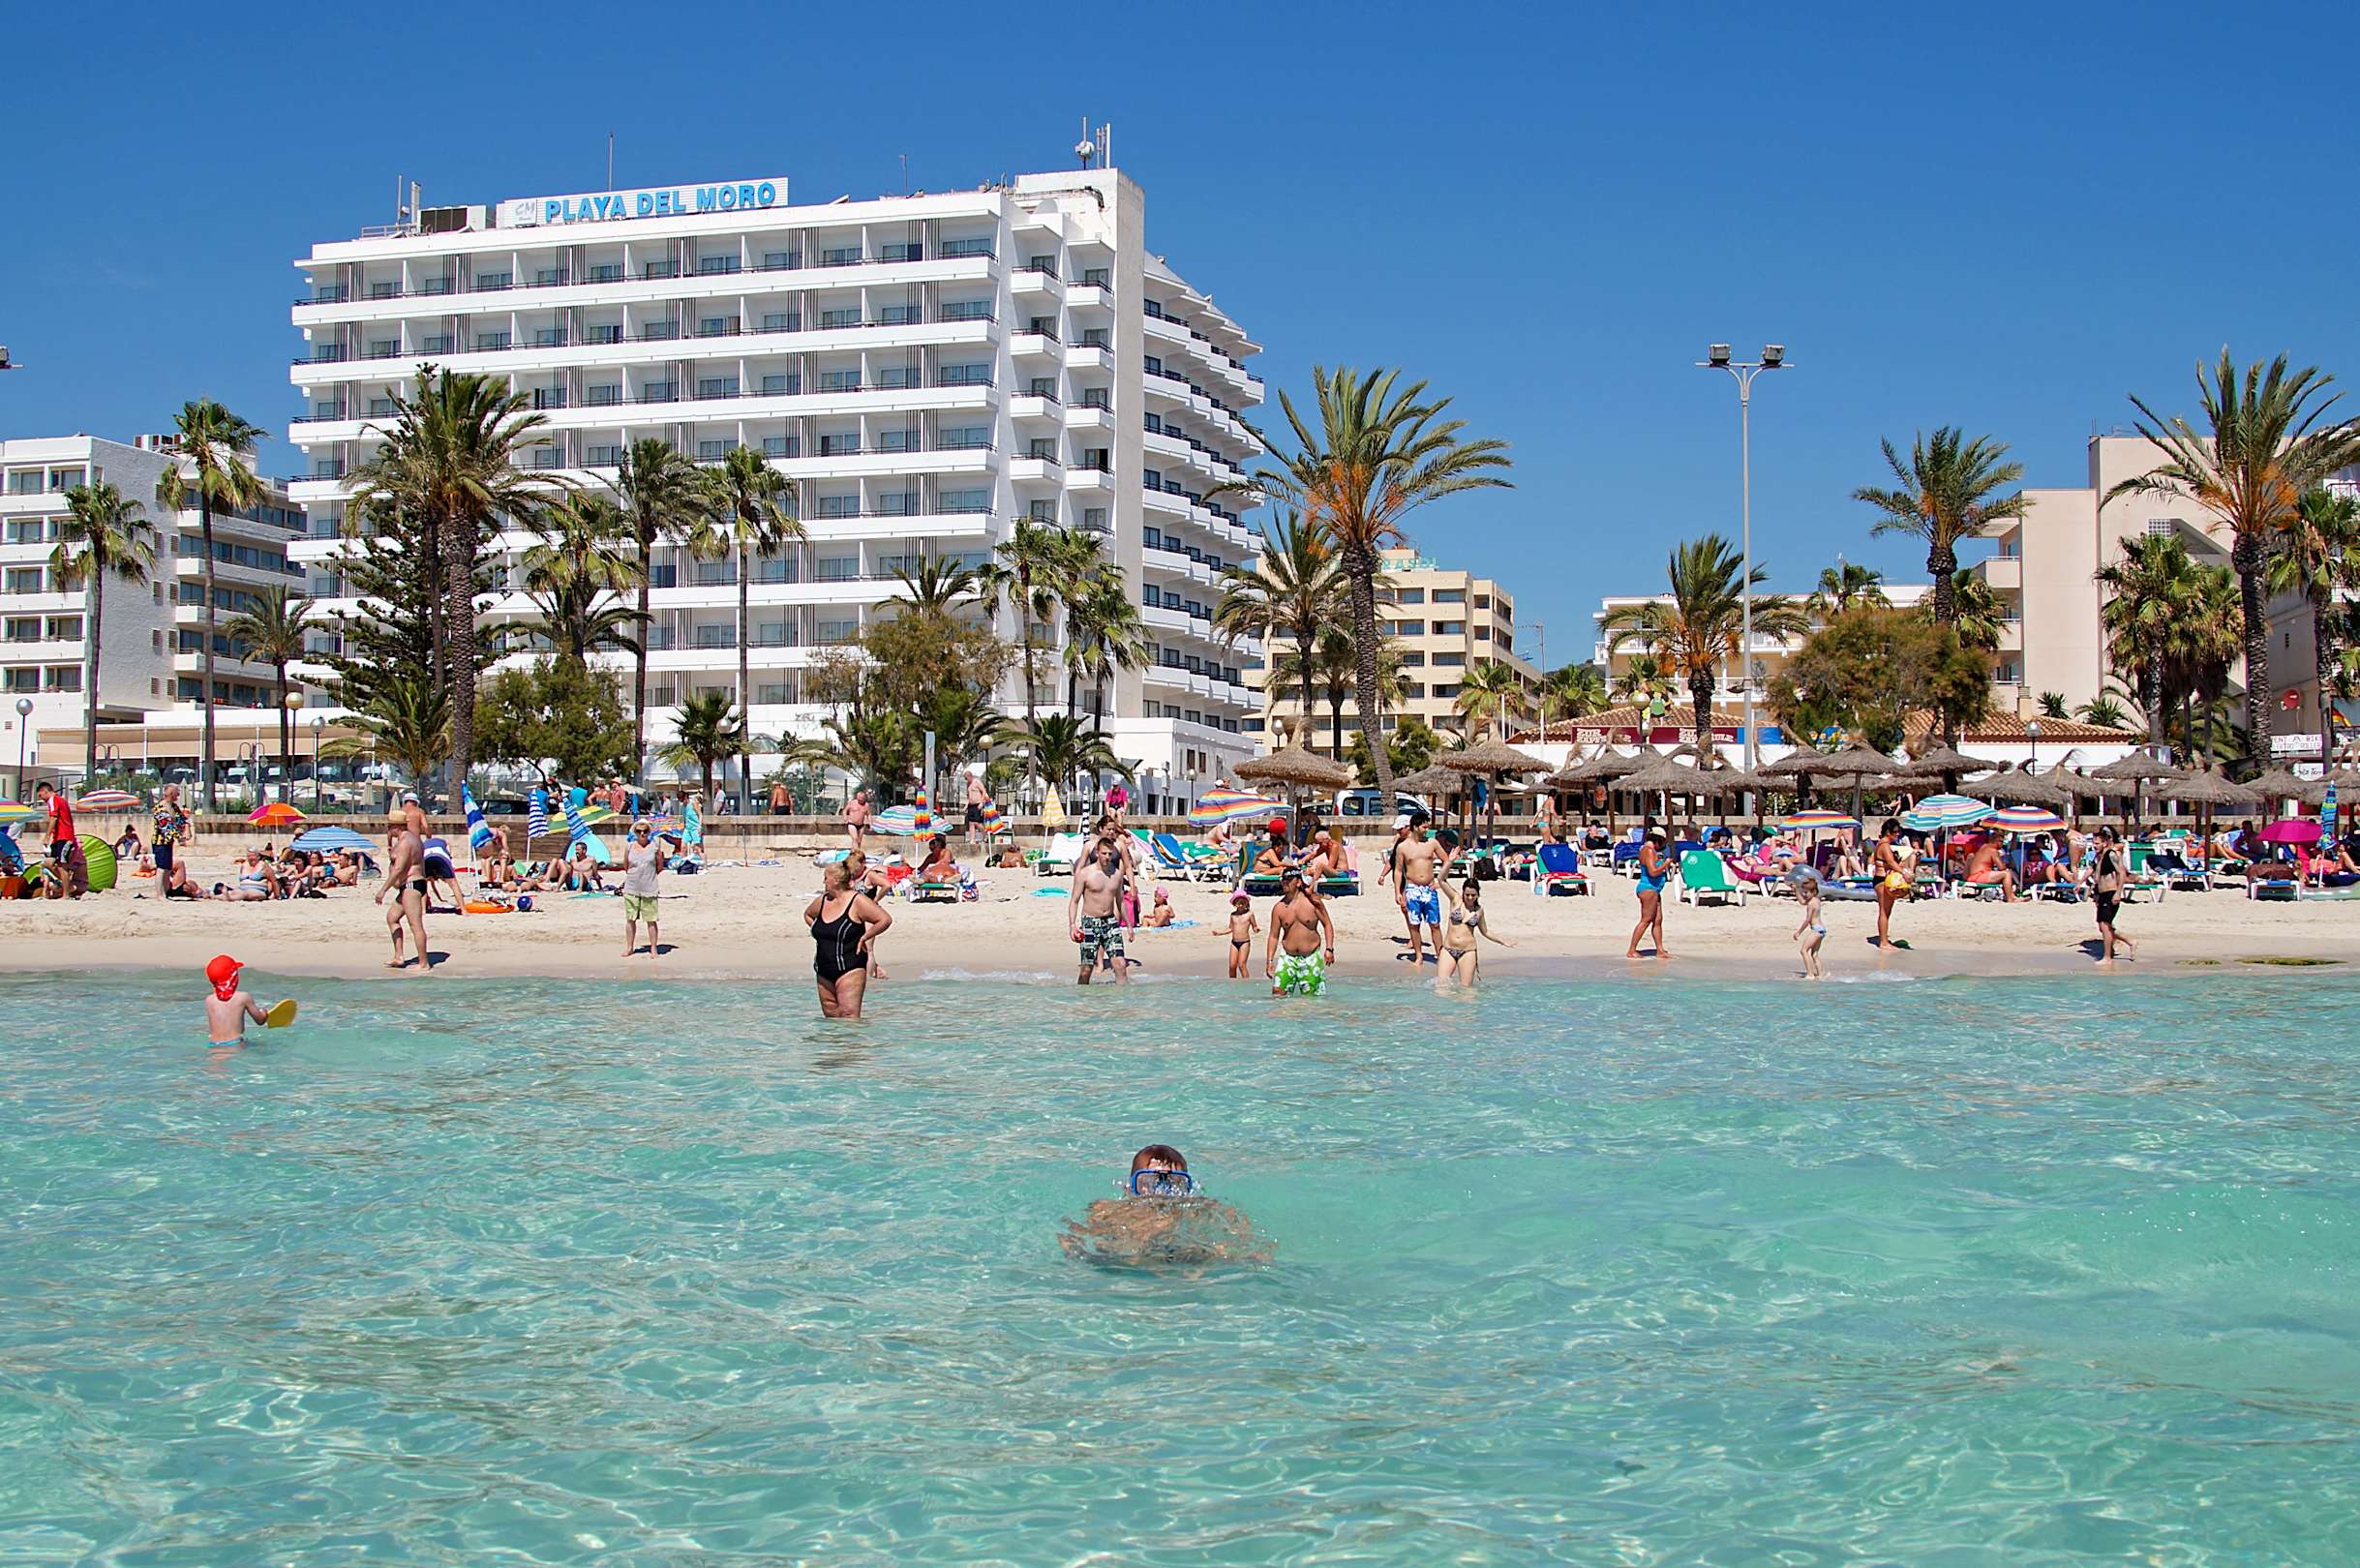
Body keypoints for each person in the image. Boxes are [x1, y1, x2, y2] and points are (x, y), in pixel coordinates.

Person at [1059, 1144, 1269, 1267]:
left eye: (1173, 1184)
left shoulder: (1200, 1208)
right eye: (1149, 1183)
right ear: (1129, 1187)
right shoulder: (1108, 1208)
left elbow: (1238, 1229)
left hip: (1185, 1256)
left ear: (1188, 1187)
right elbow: (1079, 1233)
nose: (1161, 1192)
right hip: (1130, 1258)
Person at [806, 859, 891, 1018]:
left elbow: (884, 919)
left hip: (850, 967)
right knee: (830, 1016)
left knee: (848, 1015)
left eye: (826, 878)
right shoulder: (823, 901)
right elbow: (808, 915)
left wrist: (865, 937)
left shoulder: (857, 901)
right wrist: (821, 933)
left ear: (836, 880)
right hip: (823, 968)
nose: (823, 882)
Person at [1069, 832, 1133, 984]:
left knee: (1120, 965)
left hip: (1110, 922)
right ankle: (1083, 995)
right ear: (1097, 853)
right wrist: (1072, 925)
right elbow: (1074, 901)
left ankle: (1122, 997)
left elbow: (1120, 901)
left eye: (1110, 854)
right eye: (1104, 853)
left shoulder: (1117, 874)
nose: (1107, 857)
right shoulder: (1085, 874)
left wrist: (1129, 925)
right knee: (1086, 969)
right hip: (1090, 922)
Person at [1266, 864, 1337, 996]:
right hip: (1288, 957)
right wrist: (1269, 961)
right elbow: (1273, 936)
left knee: (1311, 999)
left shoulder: (1313, 903)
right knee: (1278, 994)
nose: (1285, 883)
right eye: (1283, 880)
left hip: (1311, 956)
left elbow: (1327, 924)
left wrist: (1329, 949)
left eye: (1289, 880)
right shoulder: (1279, 908)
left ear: (1298, 882)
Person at [376, 815, 430, 973]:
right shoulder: (413, 838)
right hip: (409, 886)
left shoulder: (406, 842)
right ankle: (398, 956)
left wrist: (383, 890)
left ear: (396, 827)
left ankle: (424, 963)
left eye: (389, 827)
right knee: (392, 918)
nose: (387, 830)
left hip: (412, 885)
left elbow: (399, 868)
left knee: (415, 924)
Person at [1392, 812, 1448, 964]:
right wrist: (1398, 892)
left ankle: (1440, 954)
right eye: (1424, 827)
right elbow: (1398, 870)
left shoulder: (1432, 843)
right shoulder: (1403, 847)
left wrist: (1441, 881)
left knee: (1435, 924)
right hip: (1412, 889)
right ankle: (1419, 955)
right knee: (1414, 924)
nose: (1427, 830)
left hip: (1429, 889)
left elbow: (1446, 860)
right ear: (1415, 827)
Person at [1437, 875, 1512, 988]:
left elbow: (1485, 932)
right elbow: (1441, 880)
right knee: (1441, 986)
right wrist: (1449, 864)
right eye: (1467, 894)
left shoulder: (1479, 911)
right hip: (1448, 949)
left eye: (1473, 895)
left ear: (1478, 895)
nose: (1470, 898)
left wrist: (1502, 941)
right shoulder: (1455, 900)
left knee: (1466, 990)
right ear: (1463, 893)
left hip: (1468, 951)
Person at [620, 818, 668, 958]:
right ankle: (630, 947)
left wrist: (649, 876)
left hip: (649, 888)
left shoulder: (655, 846)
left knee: (651, 920)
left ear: (649, 832)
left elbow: (660, 867)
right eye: (639, 831)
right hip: (631, 887)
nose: (642, 834)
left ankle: (653, 948)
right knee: (630, 919)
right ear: (635, 832)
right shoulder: (629, 846)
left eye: (645, 831)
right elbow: (626, 866)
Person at [1624, 826, 1671, 960]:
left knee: (1657, 920)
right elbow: (1653, 872)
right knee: (1646, 920)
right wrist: (1666, 864)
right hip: (1648, 888)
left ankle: (1660, 950)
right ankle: (1632, 950)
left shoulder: (1649, 850)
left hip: (1654, 889)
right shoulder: (1648, 850)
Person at [2092, 824, 2136, 966]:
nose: (2094, 846)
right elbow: (2096, 875)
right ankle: (2129, 941)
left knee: (2105, 925)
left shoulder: (2112, 854)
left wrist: (2118, 892)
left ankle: (2107, 957)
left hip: (2111, 892)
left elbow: (2122, 873)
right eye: (2093, 843)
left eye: (2097, 843)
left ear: (2105, 843)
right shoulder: (2100, 856)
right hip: (2102, 893)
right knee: (2103, 926)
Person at [203, 954, 271, 1044]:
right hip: (235, 1043)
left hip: (213, 1045)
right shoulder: (243, 997)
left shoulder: (209, 1000)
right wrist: (264, 1012)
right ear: (233, 977)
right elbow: (260, 1020)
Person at [1871, 818, 1914, 951]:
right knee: (1884, 911)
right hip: (1882, 880)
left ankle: (1884, 939)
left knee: (1886, 912)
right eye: (1895, 832)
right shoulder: (1884, 845)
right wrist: (1904, 873)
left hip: (1882, 879)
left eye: (1898, 831)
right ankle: (1883, 942)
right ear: (1888, 832)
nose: (1897, 834)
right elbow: (1890, 862)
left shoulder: (1883, 844)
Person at [1791, 865, 1827, 980]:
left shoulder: (1812, 903)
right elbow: (1802, 902)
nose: (1804, 895)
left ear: (1814, 891)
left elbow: (1808, 920)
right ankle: (1820, 975)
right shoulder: (1815, 900)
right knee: (1814, 954)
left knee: (1804, 951)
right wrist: (1796, 890)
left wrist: (1799, 932)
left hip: (1816, 930)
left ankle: (1810, 974)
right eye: (1803, 892)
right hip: (1821, 930)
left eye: (1806, 892)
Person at [1960, 837, 2021, 902]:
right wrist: (2005, 864)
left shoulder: (1983, 848)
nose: (2002, 844)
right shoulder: (1992, 850)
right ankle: (2010, 899)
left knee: (2004, 874)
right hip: (1979, 876)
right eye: (2001, 842)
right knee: (2006, 874)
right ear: (1997, 842)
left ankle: (2012, 896)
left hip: (1973, 876)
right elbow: (2001, 868)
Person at [152, 783, 190, 884]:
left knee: (168, 868)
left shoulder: (174, 807)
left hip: (169, 842)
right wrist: (179, 837)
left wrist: (186, 829)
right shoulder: (160, 807)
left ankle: (166, 889)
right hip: (160, 842)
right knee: (161, 868)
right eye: (177, 792)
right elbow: (166, 826)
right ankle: (160, 892)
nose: (178, 794)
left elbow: (181, 820)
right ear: (171, 793)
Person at [1222, 890, 1258, 980]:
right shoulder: (1233, 915)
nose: (1241, 905)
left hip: (1244, 942)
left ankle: (1246, 983)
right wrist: (1220, 933)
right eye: (1239, 903)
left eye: (1243, 903)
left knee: (1242, 965)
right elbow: (1231, 928)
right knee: (1232, 966)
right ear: (1235, 904)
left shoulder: (1249, 914)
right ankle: (1232, 983)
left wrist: (1256, 929)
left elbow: (1254, 926)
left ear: (1246, 903)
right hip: (1234, 943)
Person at [843, 788, 872, 858]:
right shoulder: (852, 803)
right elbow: (845, 810)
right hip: (852, 823)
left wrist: (870, 824)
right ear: (857, 797)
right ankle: (855, 855)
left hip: (861, 825)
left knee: (859, 841)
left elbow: (869, 815)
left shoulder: (866, 805)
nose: (860, 800)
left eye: (862, 799)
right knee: (855, 838)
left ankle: (855, 853)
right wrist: (845, 818)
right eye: (859, 799)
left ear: (864, 798)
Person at [963, 770, 988, 847]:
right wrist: (966, 805)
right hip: (971, 805)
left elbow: (984, 791)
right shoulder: (968, 784)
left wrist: (982, 802)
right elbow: (969, 795)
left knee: (977, 823)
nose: (966, 780)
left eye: (967, 778)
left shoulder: (977, 782)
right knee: (971, 823)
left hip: (978, 804)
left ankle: (985, 835)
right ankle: (972, 840)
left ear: (970, 776)